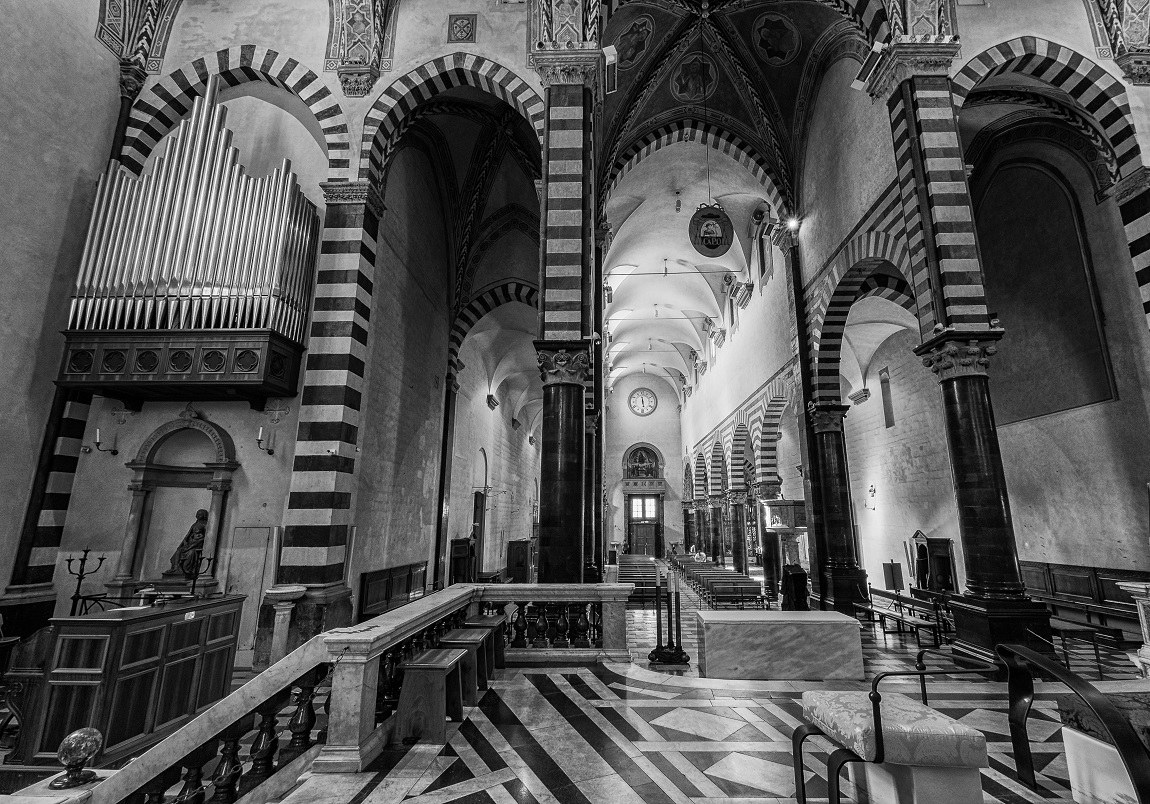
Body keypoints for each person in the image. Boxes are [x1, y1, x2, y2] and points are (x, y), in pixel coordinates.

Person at [164, 509, 208, 579]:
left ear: (204, 515)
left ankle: (186, 569)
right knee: (179, 551)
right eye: (198, 514)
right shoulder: (195, 524)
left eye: (200, 514)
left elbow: (207, 537)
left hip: (197, 545)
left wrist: (198, 540)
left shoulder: (205, 524)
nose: (199, 515)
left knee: (191, 553)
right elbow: (188, 535)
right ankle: (176, 568)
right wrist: (182, 544)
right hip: (190, 543)